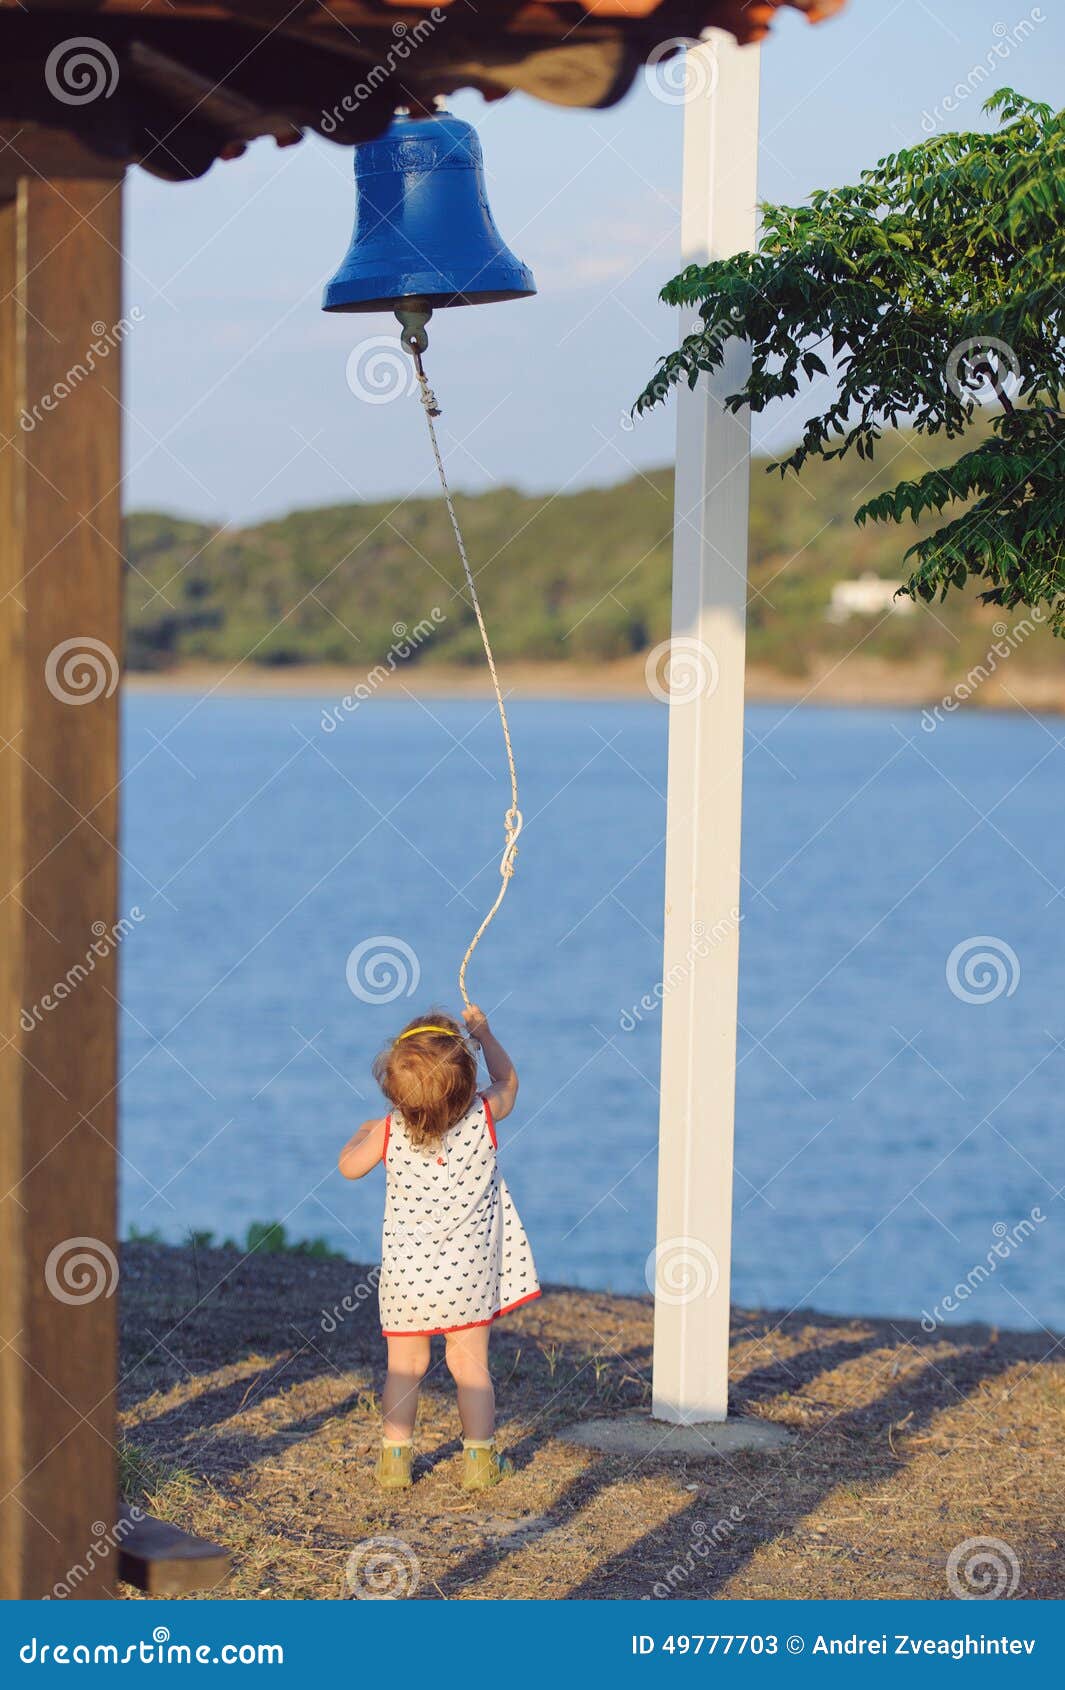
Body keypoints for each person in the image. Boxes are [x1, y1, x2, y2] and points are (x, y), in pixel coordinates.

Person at [338, 1005, 539, 1490]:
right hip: (468, 1278)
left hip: (407, 1280)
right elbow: (509, 1082)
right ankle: (480, 1463)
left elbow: (348, 1167)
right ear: (467, 1083)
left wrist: (364, 1132)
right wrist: (485, 1035)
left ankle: (394, 1462)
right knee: (470, 1368)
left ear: (395, 1093)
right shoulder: (483, 1116)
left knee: (404, 1368)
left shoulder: (390, 1130)